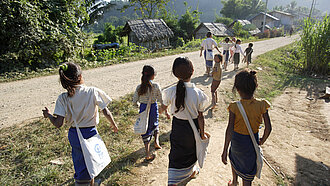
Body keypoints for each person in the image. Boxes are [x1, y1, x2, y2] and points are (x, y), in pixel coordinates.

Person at [42, 62, 118, 186]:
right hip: (91, 132)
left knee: (80, 162)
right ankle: (85, 183)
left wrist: (49, 115)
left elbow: (58, 123)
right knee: (92, 158)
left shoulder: (63, 98)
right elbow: (106, 111)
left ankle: (88, 183)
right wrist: (114, 124)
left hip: (74, 134)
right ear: (80, 76)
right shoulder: (92, 91)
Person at [159, 57, 209, 186]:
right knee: (192, 152)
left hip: (178, 128)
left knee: (176, 153)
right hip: (193, 128)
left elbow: (162, 108)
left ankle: (173, 181)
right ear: (192, 71)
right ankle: (192, 171)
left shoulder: (170, 91)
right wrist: (202, 134)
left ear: (175, 74)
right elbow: (200, 117)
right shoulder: (199, 94)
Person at [221, 70, 272, 186]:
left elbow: (229, 130)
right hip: (252, 141)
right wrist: (261, 141)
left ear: (237, 89)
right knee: (247, 171)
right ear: (256, 86)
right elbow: (268, 128)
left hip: (237, 142)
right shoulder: (262, 105)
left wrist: (224, 150)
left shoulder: (234, 107)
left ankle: (234, 182)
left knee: (234, 159)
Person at [133, 65, 169, 161]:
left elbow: (134, 101)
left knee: (145, 130)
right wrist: (166, 112)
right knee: (155, 124)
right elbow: (162, 100)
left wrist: (139, 107)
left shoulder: (139, 87)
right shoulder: (156, 86)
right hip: (153, 108)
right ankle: (156, 142)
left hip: (143, 109)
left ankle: (147, 152)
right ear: (153, 75)